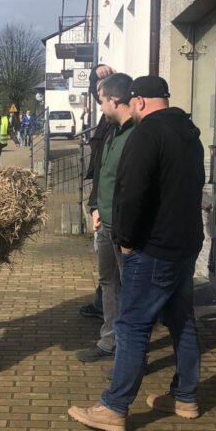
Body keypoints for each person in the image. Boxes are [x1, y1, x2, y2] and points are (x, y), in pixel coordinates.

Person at [68, 75, 205, 431]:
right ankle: (186, 397)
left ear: (140, 102)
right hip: (185, 245)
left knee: (131, 325)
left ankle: (114, 407)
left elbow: (132, 192)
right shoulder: (190, 134)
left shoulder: (148, 133)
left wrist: (127, 240)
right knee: (182, 320)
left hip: (153, 248)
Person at [77, 73, 135, 363]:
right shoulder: (111, 128)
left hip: (125, 227)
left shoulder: (135, 132)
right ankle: (108, 340)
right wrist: (95, 205)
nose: (99, 107)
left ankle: (129, 349)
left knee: (129, 287)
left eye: (101, 101)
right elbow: (102, 172)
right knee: (108, 281)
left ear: (114, 99)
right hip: (106, 222)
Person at [79, 64, 116, 321]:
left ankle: (112, 329)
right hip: (100, 202)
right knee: (108, 269)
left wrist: (96, 205)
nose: (99, 106)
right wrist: (95, 74)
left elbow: (108, 171)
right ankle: (101, 304)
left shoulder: (119, 128)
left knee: (112, 271)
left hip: (108, 208)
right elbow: (100, 91)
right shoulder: (108, 120)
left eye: (103, 101)